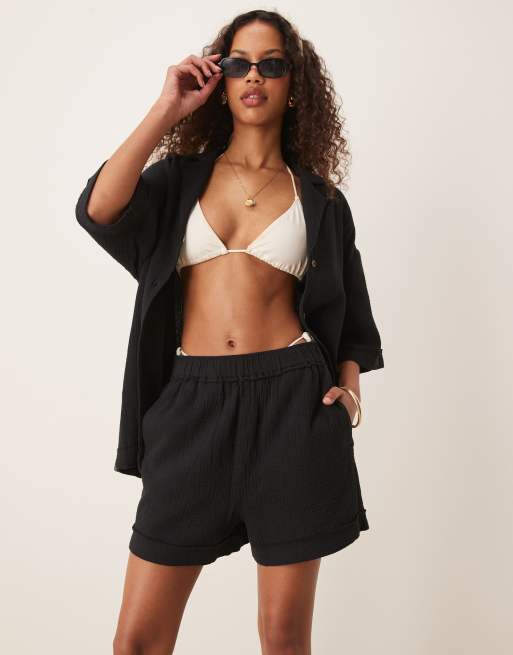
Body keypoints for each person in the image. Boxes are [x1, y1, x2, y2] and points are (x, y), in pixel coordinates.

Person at [75, 10, 384, 654]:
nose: (254, 76)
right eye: (239, 63)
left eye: (272, 64)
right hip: (191, 405)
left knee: (283, 639)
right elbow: (101, 208)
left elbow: (353, 315)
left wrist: (349, 393)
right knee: (136, 642)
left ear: (294, 85)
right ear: (220, 79)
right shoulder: (178, 180)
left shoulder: (322, 200)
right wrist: (167, 108)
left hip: (294, 407)